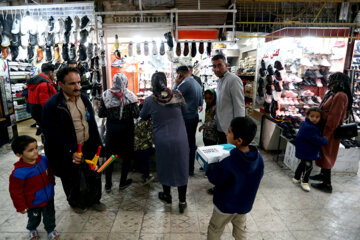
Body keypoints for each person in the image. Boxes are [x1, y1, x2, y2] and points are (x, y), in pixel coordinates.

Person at [42, 67, 105, 213]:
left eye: (78, 82)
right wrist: (70, 151)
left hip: (87, 145)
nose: (77, 87)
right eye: (72, 84)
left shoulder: (83, 98)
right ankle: (75, 203)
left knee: (93, 174)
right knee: (71, 178)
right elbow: (52, 134)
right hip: (67, 150)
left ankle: (94, 200)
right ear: (61, 84)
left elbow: (91, 123)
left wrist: (98, 145)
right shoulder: (53, 105)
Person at [206, 117, 264, 240]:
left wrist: (211, 168)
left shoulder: (228, 161)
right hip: (244, 204)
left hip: (224, 206)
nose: (226, 133)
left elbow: (215, 179)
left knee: (215, 228)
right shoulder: (258, 158)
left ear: (238, 140)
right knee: (240, 229)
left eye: (229, 131)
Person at [140, 72, 189, 213]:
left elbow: (142, 116)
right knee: (181, 166)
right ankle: (182, 201)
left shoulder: (150, 100)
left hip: (162, 139)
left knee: (165, 166)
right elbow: (185, 110)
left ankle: (167, 195)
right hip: (180, 137)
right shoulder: (177, 94)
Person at [9, 135, 59, 240]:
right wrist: (20, 206)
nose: (36, 151)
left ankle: (51, 230)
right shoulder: (18, 173)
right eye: (30, 150)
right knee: (34, 218)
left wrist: (52, 182)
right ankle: (32, 229)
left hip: (48, 197)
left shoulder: (43, 160)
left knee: (50, 216)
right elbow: (15, 192)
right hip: (33, 202)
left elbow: (49, 172)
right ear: (19, 154)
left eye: (36, 147)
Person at [310, 72, 353, 193]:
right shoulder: (334, 93)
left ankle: (327, 184)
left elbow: (334, 118)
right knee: (323, 153)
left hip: (330, 131)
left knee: (327, 154)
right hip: (325, 128)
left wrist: (326, 135)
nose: (329, 82)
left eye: (332, 80)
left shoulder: (340, 96)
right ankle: (322, 175)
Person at [98, 73, 139, 192]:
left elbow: (101, 113)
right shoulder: (130, 95)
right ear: (125, 82)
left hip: (112, 128)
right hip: (127, 129)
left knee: (110, 156)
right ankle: (122, 182)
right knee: (126, 156)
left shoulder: (105, 95)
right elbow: (136, 114)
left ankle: (108, 184)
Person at [174, 66, 203, 176]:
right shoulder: (197, 83)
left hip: (185, 118)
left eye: (178, 75)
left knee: (183, 144)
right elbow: (200, 102)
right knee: (191, 142)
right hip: (194, 116)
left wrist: (176, 83)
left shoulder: (185, 84)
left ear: (180, 74)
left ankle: (184, 168)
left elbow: (173, 97)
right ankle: (190, 167)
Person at [292, 107, 328, 192]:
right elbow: (315, 139)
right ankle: (304, 182)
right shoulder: (310, 127)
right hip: (307, 150)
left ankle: (296, 178)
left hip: (304, 149)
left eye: (317, 117)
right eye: (312, 116)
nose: (314, 119)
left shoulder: (307, 124)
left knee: (302, 163)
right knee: (309, 166)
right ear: (308, 116)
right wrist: (325, 140)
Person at [212, 54, 245, 144]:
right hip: (221, 126)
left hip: (230, 129)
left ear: (226, 65)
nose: (216, 69)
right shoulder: (220, 80)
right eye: (214, 66)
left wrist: (238, 129)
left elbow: (239, 106)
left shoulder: (233, 80)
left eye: (220, 65)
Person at [27, 63, 57, 134]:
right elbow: (47, 105)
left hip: (37, 113)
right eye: (54, 73)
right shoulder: (45, 84)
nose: (55, 75)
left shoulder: (35, 82)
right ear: (50, 73)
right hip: (45, 115)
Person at [134, 103, 154, 185]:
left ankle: (146, 175)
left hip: (139, 146)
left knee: (141, 161)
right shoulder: (150, 122)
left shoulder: (138, 123)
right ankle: (147, 175)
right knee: (147, 160)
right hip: (147, 145)